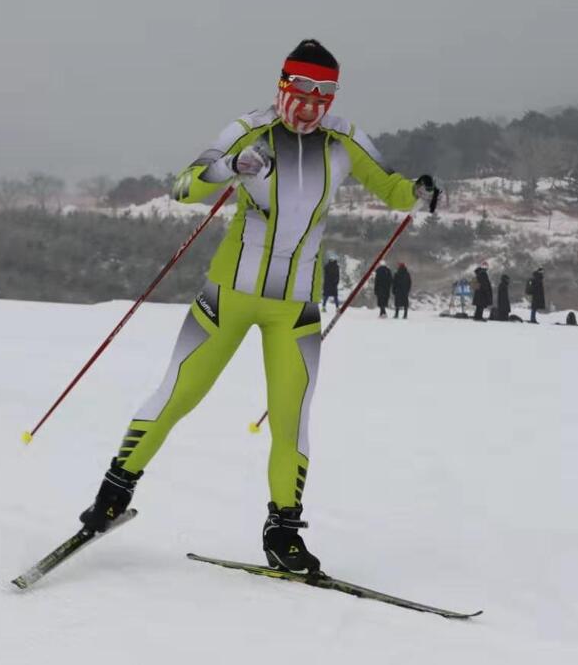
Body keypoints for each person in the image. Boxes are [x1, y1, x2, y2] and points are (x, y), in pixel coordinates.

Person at [76, 39, 441, 574]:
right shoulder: (248, 129)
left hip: (295, 307)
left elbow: (391, 188)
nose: (312, 105)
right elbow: (182, 187)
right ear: (283, 85)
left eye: (325, 94)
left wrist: (419, 193)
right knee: (179, 393)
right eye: (302, 90)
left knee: (292, 420)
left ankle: (284, 532)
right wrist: (230, 167)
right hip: (228, 296)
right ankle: (113, 493)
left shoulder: (344, 140)